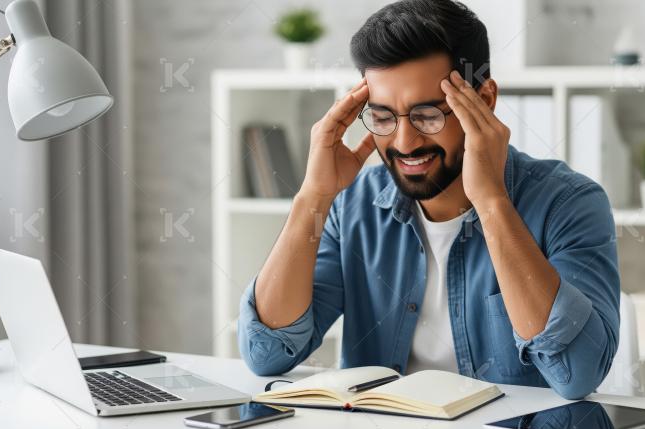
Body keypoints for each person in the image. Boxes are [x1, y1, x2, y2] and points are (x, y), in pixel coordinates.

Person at [238, 0, 620, 400]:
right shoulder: (353, 205)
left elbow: (577, 374)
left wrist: (491, 202)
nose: (404, 142)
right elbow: (267, 353)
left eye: (428, 115)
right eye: (384, 117)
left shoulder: (569, 203)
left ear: (484, 100)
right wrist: (312, 196)